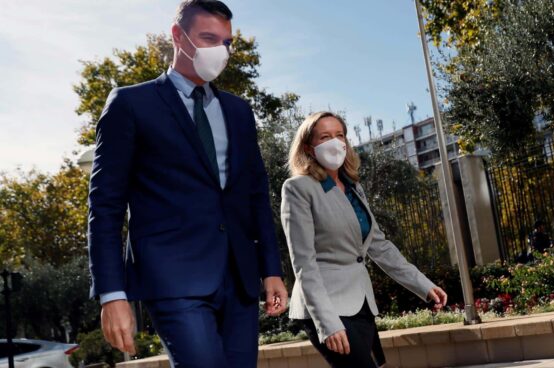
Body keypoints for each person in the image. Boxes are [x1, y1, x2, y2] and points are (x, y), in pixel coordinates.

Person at [86, 1, 287, 367]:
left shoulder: (239, 111)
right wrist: (112, 294)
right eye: (208, 38)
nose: (220, 51)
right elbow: (105, 206)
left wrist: (271, 269)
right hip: (172, 279)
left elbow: (256, 195)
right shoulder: (131, 104)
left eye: (226, 42)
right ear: (178, 36)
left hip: (240, 278)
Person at [281, 111, 448, 368]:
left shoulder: (353, 188)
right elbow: (304, 263)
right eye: (325, 137)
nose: (335, 142)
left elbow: (379, 246)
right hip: (325, 306)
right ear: (308, 147)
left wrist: (423, 285)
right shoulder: (298, 188)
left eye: (339, 135)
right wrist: (327, 322)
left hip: (360, 303)